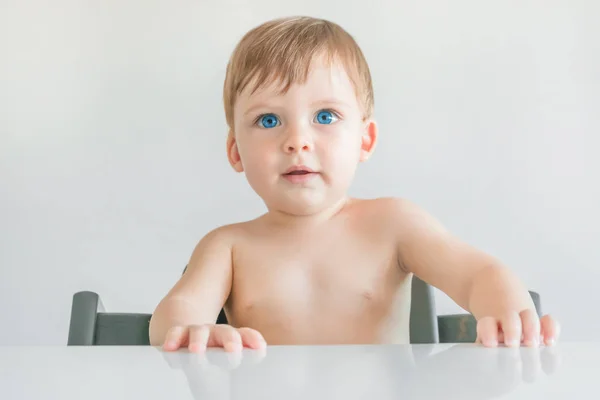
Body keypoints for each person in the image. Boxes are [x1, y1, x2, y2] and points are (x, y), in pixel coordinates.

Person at [148, 16, 560, 352]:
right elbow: (178, 309)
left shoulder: (393, 224)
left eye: (325, 116)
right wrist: (191, 331)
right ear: (236, 150)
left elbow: (477, 273)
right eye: (269, 120)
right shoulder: (228, 247)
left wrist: (505, 310)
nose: (297, 141)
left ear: (365, 139)